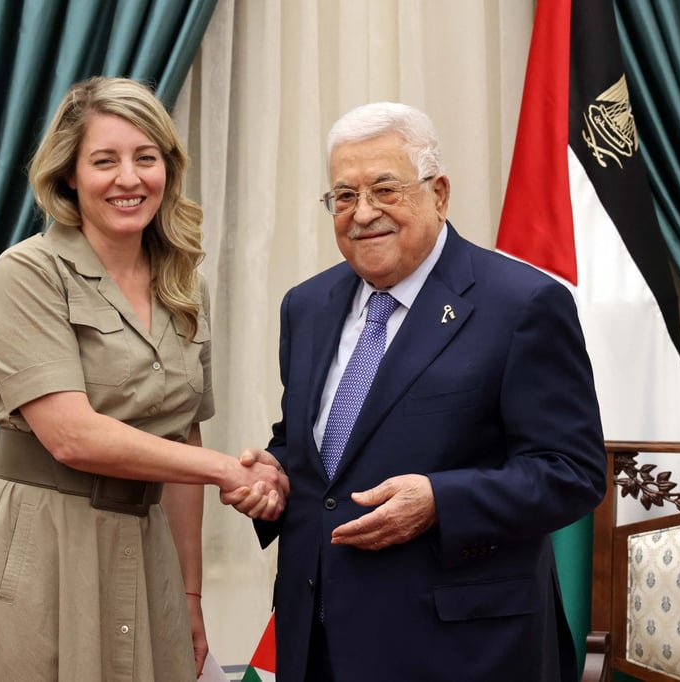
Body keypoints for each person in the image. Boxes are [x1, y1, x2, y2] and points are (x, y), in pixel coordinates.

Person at [0, 76, 287, 682]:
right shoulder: (28, 272)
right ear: (69, 174)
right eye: (104, 160)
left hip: (147, 558)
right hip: (37, 551)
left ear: (167, 169)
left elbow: (181, 443)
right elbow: (72, 436)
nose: (129, 178)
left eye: (146, 158)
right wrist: (230, 470)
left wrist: (192, 597)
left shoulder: (184, 287)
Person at [232, 102, 607, 680]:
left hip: (463, 649)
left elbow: (572, 472)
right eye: (344, 196)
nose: (363, 213)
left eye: (385, 189)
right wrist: (275, 474)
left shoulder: (521, 304)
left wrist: (440, 501)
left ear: (439, 192)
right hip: (318, 639)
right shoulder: (306, 306)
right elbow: (317, 446)